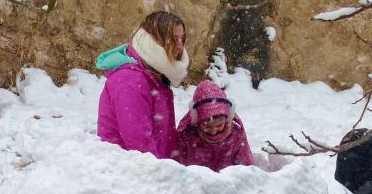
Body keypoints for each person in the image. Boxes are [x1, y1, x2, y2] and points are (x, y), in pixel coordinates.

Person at [96, 11, 189, 159]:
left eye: (181, 38)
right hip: (132, 175)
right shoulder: (130, 79)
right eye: (173, 39)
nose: (180, 46)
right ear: (155, 41)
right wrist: (162, 177)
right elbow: (139, 146)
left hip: (151, 170)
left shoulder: (154, 74)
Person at [175, 80, 254, 171]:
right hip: (196, 180)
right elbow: (178, 166)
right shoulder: (187, 133)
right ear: (196, 119)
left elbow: (245, 164)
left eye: (219, 125)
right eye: (207, 126)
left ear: (228, 117)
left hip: (228, 181)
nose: (213, 131)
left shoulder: (236, 131)